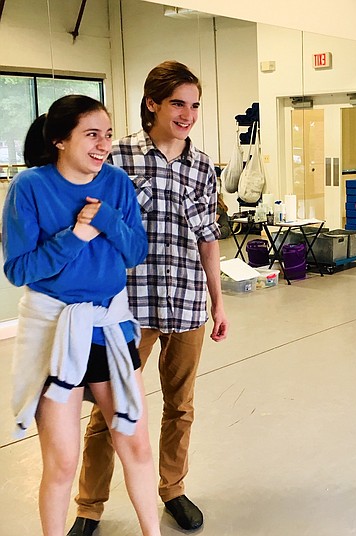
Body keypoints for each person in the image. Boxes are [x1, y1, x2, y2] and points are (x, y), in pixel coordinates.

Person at [68, 61, 229, 536]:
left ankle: (173, 489)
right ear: (152, 104)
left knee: (181, 407)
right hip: (126, 308)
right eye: (178, 103)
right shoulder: (115, 157)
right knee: (107, 409)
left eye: (195, 105)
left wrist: (218, 303)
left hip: (186, 301)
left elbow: (208, 237)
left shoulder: (201, 166)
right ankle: (89, 506)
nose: (188, 114)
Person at [2, 95, 159, 535]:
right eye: (91, 135)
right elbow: (18, 269)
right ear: (59, 140)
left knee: (137, 446)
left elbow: (135, 252)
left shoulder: (116, 184)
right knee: (62, 462)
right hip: (55, 332)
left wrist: (107, 218)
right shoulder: (30, 187)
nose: (103, 144)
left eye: (107, 134)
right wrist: (77, 235)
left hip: (110, 328)